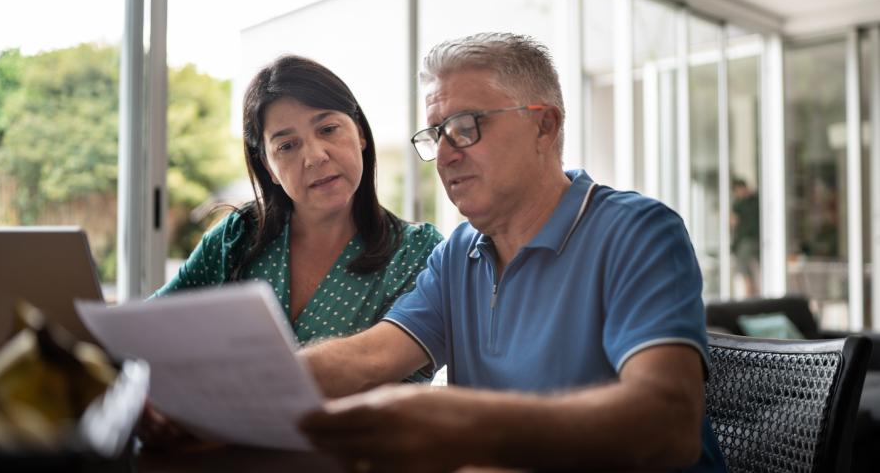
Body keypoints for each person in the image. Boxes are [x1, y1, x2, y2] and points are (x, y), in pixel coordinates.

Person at [297, 33, 726, 472]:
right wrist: (255, 386)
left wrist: (462, 427)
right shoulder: (457, 253)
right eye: (435, 135)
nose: (444, 155)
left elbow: (667, 426)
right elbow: (369, 358)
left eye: (465, 127)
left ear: (545, 126)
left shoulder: (637, 232)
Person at [143, 55, 443, 444]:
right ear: (268, 166)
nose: (315, 156)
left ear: (361, 134)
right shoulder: (238, 237)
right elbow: (152, 328)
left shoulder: (419, 253)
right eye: (286, 145)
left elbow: (385, 385)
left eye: (329, 129)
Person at [731, 178, 759, 297]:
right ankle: (752, 292)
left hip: (748, 239)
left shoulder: (743, 203)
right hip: (749, 239)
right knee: (747, 268)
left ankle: (750, 294)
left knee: (744, 267)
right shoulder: (752, 201)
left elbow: (733, 221)